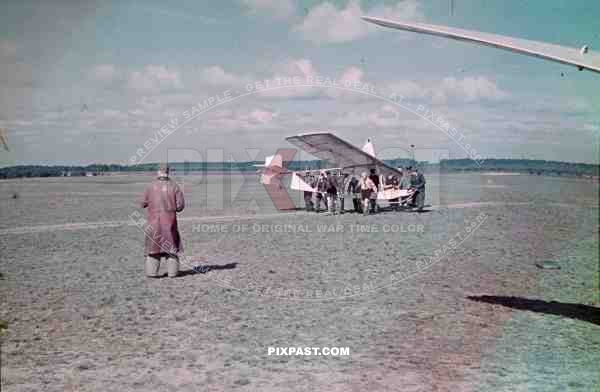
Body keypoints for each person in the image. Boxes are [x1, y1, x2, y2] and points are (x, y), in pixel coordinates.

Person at [140, 163, 185, 278]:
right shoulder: (175, 186)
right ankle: (172, 273)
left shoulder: (150, 186)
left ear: (158, 172)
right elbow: (180, 206)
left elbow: (142, 203)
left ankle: (151, 273)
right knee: (171, 250)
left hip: (153, 223)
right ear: (168, 172)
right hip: (169, 223)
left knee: (153, 250)